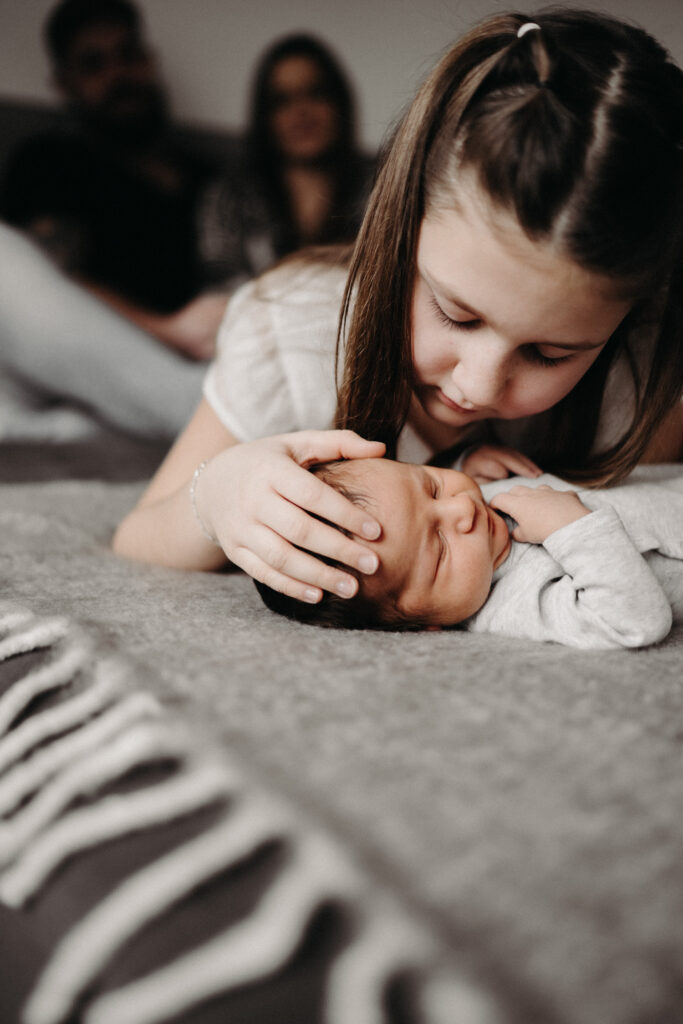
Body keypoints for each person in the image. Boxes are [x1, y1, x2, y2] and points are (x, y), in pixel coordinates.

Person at [113, 10, 683, 611]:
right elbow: (136, 539)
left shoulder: (637, 372)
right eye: (457, 315)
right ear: (401, 228)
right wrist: (216, 496)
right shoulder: (292, 336)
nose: (477, 384)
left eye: (550, 353)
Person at [252, 457, 683, 649]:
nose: (462, 509)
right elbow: (636, 621)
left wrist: (468, 457)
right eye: (438, 547)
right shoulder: (513, 604)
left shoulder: (477, 507)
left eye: (432, 485)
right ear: (424, 625)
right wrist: (571, 529)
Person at [1, 0, 224, 360]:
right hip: (89, 357)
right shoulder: (48, 162)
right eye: (93, 64)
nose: (118, 74)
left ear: (149, 60)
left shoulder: (205, 177)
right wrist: (169, 332)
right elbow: (41, 284)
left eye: (128, 54)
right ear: (63, 82)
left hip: (200, 359)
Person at [198, 33, 376, 294]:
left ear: (339, 102)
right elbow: (220, 294)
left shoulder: (381, 189)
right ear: (265, 117)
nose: (301, 111)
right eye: (282, 100)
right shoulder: (229, 198)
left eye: (315, 93)